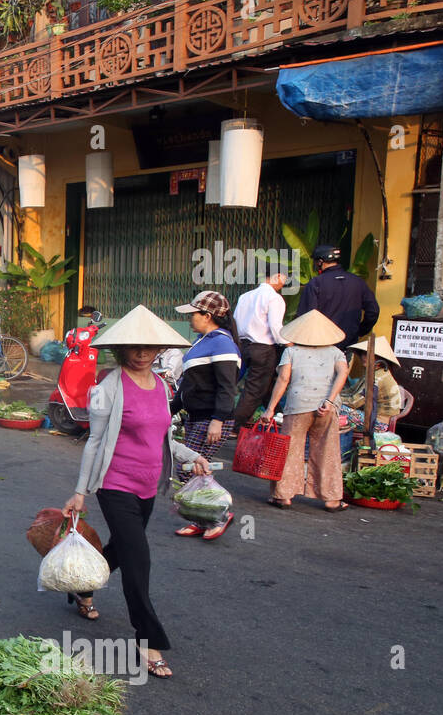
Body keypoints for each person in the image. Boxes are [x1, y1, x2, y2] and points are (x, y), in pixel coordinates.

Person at [61, 306, 208, 679]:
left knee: (123, 550)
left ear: (158, 349)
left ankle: (82, 587)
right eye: (134, 347)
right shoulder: (108, 386)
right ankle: (148, 640)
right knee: (139, 560)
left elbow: (161, 438)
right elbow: (94, 441)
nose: (142, 353)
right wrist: (80, 492)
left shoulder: (161, 387)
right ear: (121, 349)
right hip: (115, 485)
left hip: (147, 487)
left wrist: (190, 455)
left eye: (148, 347)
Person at [263, 310, 351, 511]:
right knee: (328, 451)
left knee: (290, 451)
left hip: (297, 406)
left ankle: (283, 496)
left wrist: (270, 409)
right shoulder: (336, 352)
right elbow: (342, 375)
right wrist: (329, 400)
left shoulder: (291, 352)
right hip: (327, 408)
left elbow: (283, 380)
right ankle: (332, 499)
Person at [172, 290, 240, 539]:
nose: (190, 319)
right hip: (196, 415)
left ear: (208, 315)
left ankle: (219, 515)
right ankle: (201, 520)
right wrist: (168, 410)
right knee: (193, 470)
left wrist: (218, 420)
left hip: (210, 418)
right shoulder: (204, 341)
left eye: (194, 314)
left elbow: (227, 386)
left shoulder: (222, 342)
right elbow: (187, 384)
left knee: (190, 468)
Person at [232, 267, 289, 427]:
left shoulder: (245, 296)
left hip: (243, 346)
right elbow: (276, 328)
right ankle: (234, 425)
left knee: (265, 386)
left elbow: (235, 322)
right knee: (255, 389)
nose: (283, 283)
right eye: (284, 279)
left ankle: (278, 415)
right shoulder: (274, 298)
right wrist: (289, 344)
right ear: (277, 276)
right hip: (264, 348)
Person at [297, 244, 380, 348]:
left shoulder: (316, 283)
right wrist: (360, 331)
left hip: (322, 343)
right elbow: (373, 311)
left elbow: (306, 316)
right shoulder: (358, 282)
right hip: (349, 342)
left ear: (320, 262)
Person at [340, 336, 403, 432]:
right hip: (371, 416)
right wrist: (334, 394)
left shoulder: (378, 377)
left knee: (335, 408)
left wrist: (332, 400)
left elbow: (354, 402)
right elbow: (352, 391)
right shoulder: (373, 371)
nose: (363, 357)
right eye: (363, 354)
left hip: (378, 424)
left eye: (368, 355)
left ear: (379, 358)